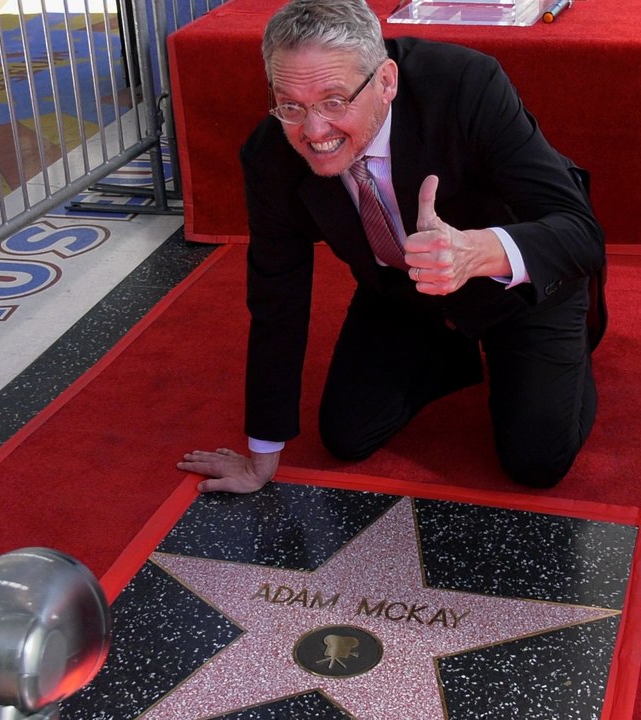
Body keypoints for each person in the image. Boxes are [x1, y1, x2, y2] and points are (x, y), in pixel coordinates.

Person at [179, 0, 606, 493]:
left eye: (334, 101)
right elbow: (277, 296)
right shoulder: (271, 152)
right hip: (403, 294)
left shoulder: (466, 84)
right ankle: (451, 348)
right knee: (347, 434)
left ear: (386, 80)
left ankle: (567, 345)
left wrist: (476, 252)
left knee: (536, 462)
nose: (313, 132)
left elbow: (581, 231)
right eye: (291, 105)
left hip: (516, 286)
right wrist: (263, 453)